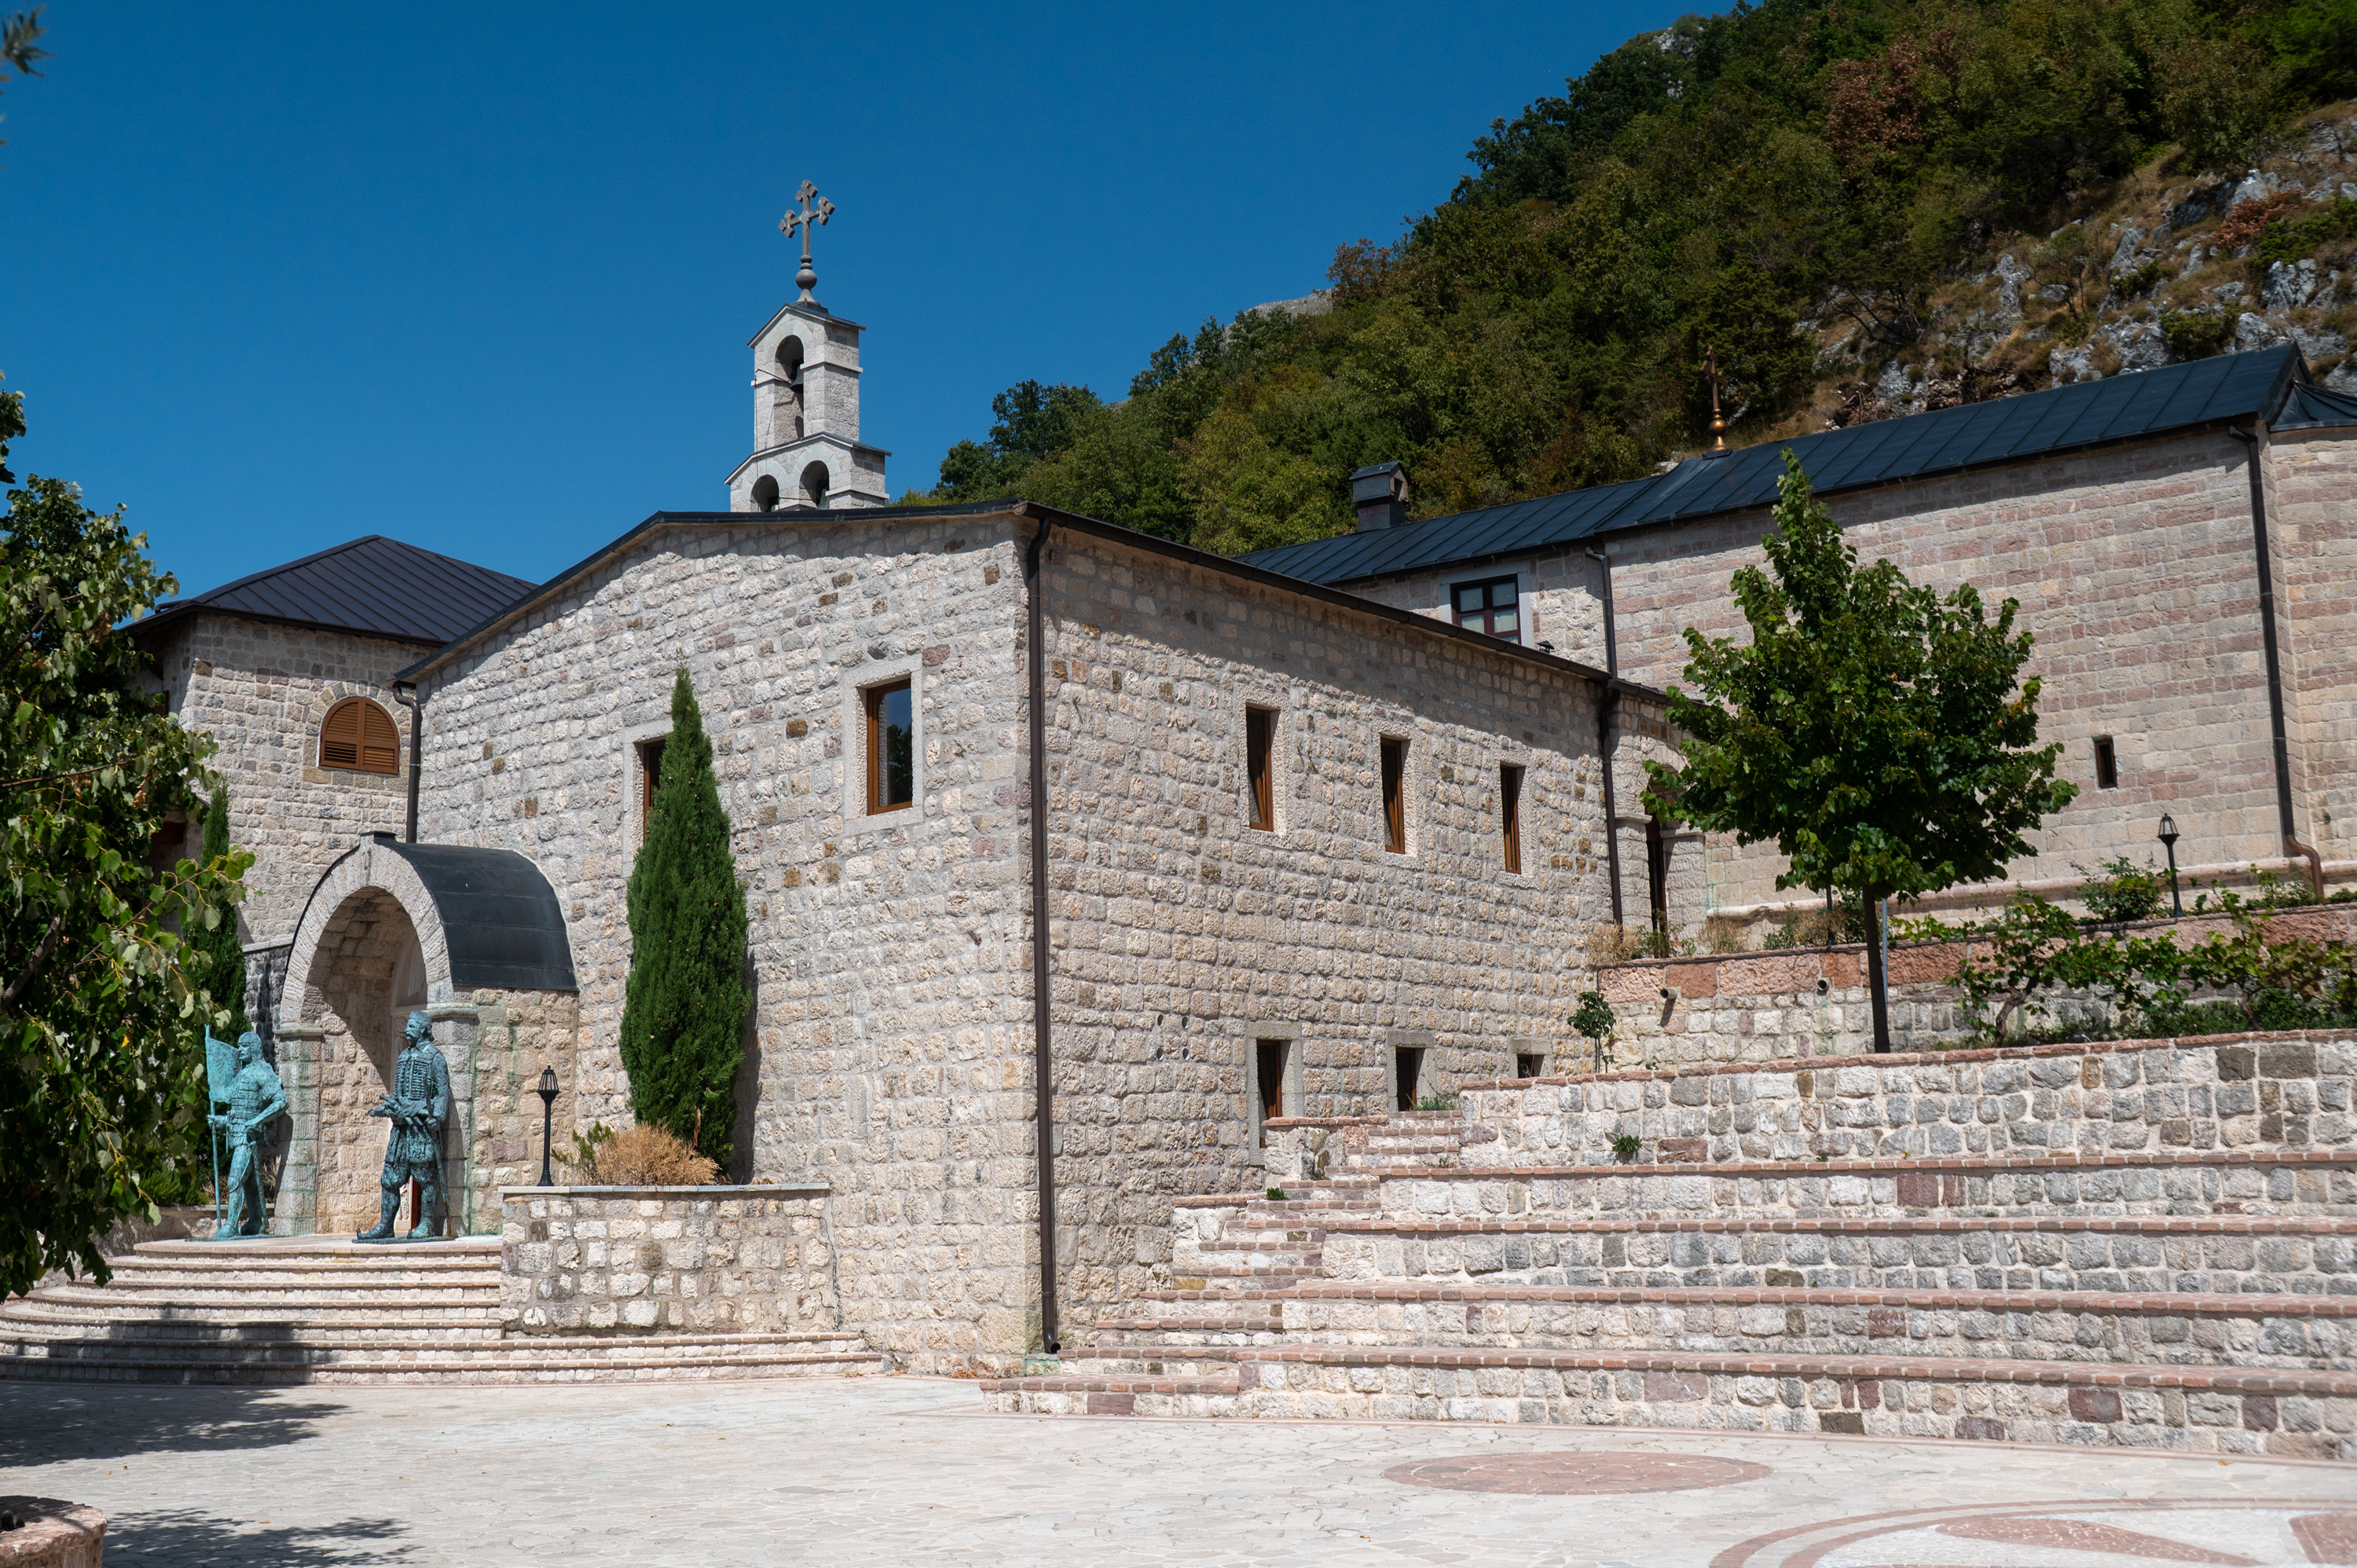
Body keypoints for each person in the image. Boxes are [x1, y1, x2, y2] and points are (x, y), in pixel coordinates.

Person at [356, 1009, 451, 1242]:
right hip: (401, 1129)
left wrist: (436, 1117)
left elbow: (442, 1094)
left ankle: (427, 1224)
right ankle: (386, 1225)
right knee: (389, 1178)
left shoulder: (435, 1058)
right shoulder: (403, 1057)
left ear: (424, 1030)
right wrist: (388, 1108)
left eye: (413, 1025)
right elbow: (397, 1093)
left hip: (420, 1128)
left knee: (426, 1177)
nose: (408, 1028)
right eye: (407, 1024)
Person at [206, 1031, 287, 1240]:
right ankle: (255, 1222)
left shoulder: (262, 1072)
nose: (240, 1050)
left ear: (254, 1048)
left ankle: (231, 1226)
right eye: (239, 1046)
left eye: (244, 1046)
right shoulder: (242, 1073)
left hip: (249, 1139)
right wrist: (222, 1121)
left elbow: (281, 1102)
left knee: (234, 1180)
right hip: (238, 1135)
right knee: (250, 1183)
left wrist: (257, 1120)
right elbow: (239, 1113)